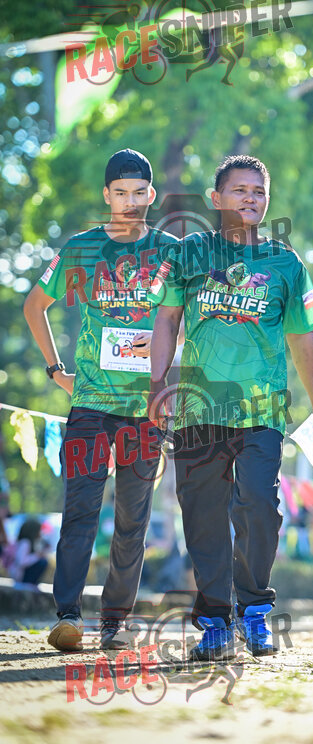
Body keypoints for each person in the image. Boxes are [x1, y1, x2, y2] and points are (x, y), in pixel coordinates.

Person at [148, 154, 313, 660]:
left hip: (262, 411)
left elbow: (303, 336)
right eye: (240, 190)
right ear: (216, 199)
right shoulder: (190, 253)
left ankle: (254, 610)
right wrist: (157, 385)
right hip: (198, 410)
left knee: (259, 504)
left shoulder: (286, 264)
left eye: (258, 191)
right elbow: (166, 319)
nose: (250, 198)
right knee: (203, 515)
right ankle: (214, 621)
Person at [23, 149, 177, 651]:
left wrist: (169, 369)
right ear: (106, 195)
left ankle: (115, 622)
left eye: (139, 193)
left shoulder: (172, 252)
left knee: (133, 520)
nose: (130, 202)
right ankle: (68, 616)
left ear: (151, 195)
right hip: (89, 404)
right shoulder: (82, 248)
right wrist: (57, 372)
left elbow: (187, 322)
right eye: (120, 193)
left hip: (145, 410)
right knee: (80, 514)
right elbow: (34, 305)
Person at [7, 517, 50, 585]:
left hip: (20, 574)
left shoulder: (27, 542)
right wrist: (37, 556)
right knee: (43, 562)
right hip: (20, 575)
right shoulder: (25, 543)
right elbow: (21, 562)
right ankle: (29, 583)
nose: (40, 533)